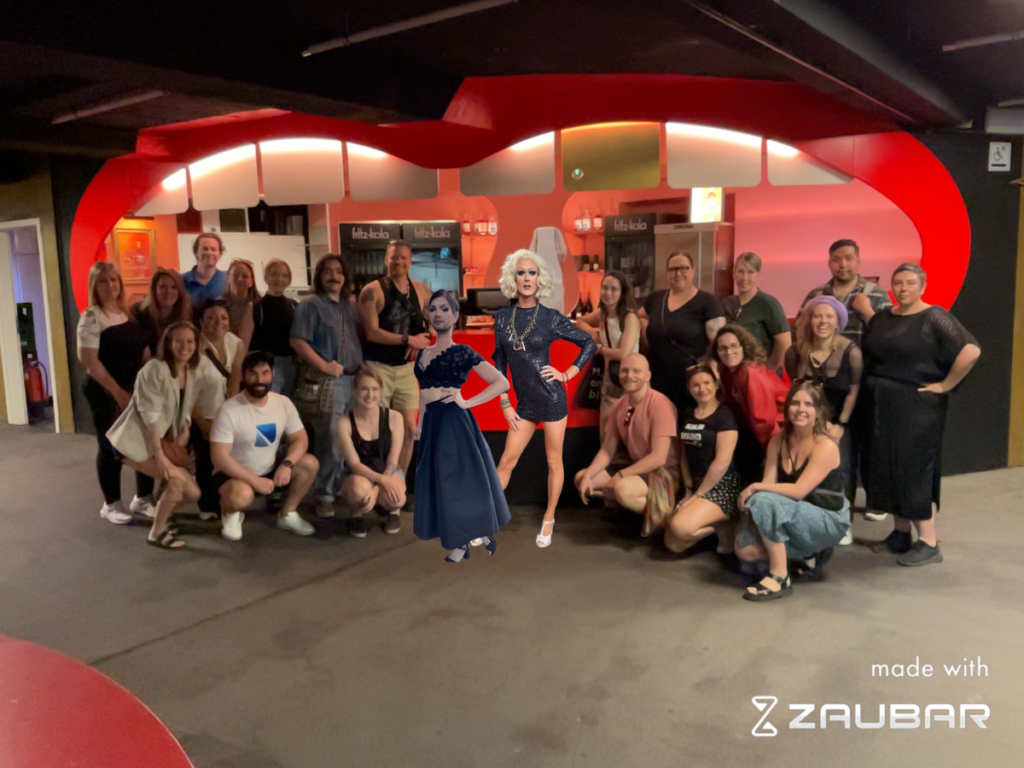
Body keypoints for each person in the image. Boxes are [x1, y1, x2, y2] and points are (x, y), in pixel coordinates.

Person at [859, 263, 980, 567]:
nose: (903, 288)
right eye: (897, 283)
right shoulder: (884, 317)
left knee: (913, 468)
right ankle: (901, 534)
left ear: (922, 286)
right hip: (882, 404)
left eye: (910, 283)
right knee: (888, 466)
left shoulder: (934, 316)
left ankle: (927, 541)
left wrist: (946, 384)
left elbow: (971, 350)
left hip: (916, 406)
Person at [493, 249, 597, 548]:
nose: (527, 278)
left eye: (532, 273)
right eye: (521, 272)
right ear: (513, 278)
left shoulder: (550, 318)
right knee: (506, 461)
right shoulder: (502, 318)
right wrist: (504, 402)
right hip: (523, 405)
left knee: (554, 461)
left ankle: (549, 518)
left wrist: (568, 373)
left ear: (540, 279)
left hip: (552, 400)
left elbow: (588, 343)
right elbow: (499, 363)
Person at [413, 290, 511, 562]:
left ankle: (466, 539)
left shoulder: (462, 352)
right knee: (442, 484)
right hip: (432, 422)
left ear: (456, 316)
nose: (438, 314)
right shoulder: (423, 352)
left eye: (445, 309)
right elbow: (423, 391)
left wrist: (467, 402)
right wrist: (420, 423)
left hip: (454, 422)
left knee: (459, 483)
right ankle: (464, 539)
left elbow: (501, 382)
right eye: (433, 309)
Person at [734, 382, 850, 601]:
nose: (801, 409)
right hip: (792, 512)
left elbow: (798, 490)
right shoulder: (778, 441)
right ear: (787, 408)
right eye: (795, 403)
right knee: (744, 550)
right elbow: (769, 485)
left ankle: (780, 577)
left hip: (828, 517)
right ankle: (808, 554)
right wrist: (756, 503)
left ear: (818, 412)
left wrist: (754, 488)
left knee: (761, 500)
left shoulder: (825, 446)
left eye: (808, 404)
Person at [106, 322, 211, 549]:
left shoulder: (192, 371)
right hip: (135, 441)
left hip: (160, 440)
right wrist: (160, 454)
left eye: (190, 341)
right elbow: (150, 414)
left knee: (193, 492)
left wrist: (183, 429)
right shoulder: (155, 369)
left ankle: (164, 514)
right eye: (179, 341)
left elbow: (186, 405)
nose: (185, 346)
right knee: (176, 482)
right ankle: (157, 532)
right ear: (168, 344)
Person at [210, 351, 319, 541]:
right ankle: (230, 512)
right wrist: (253, 480)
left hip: (269, 468)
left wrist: (287, 464)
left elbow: (300, 438)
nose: (259, 379)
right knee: (241, 495)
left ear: (272, 374)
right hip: (234, 474)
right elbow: (219, 457)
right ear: (244, 375)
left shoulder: (282, 403)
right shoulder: (229, 410)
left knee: (310, 463)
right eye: (253, 373)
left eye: (265, 373)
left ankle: (287, 514)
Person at [77, 262, 155, 524]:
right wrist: (118, 393)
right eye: (103, 281)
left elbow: (143, 350)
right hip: (105, 390)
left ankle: (143, 497)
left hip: (135, 388)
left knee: (143, 440)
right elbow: (90, 361)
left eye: (114, 280)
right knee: (111, 445)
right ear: (94, 286)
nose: (110, 286)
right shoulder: (91, 317)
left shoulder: (128, 313)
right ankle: (111, 504)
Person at [290, 254, 363, 520]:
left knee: (351, 438)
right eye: (328, 272)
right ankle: (325, 495)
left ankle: (345, 488)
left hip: (356, 382)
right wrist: (324, 365)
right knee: (331, 438)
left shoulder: (349, 306)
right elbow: (298, 341)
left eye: (339, 272)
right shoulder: (309, 305)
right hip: (329, 382)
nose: (334, 276)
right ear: (319, 276)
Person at [574, 353, 678, 535]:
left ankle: (665, 521)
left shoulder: (660, 404)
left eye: (636, 371)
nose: (629, 376)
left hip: (662, 473)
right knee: (582, 478)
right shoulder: (620, 405)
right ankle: (633, 511)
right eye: (625, 371)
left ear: (647, 376)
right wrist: (589, 475)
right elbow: (607, 449)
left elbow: (659, 458)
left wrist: (621, 475)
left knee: (622, 489)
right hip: (635, 466)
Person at [785, 295, 862, 538]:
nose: (822, 321)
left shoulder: (851, 352)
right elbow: (796, 388)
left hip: (840, 420)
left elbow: (853, 390)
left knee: (844, 467)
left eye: (829, 316)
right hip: (804, 421)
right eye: (817, 315)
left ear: (838, 322)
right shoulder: (795, 351)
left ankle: (843, 519)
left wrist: (840, 425)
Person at [357, 240, 432, 481]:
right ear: (385, 260)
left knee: (409, 429)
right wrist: (407, 339)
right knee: (376, 430)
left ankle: (396, 483)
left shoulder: (420, 289)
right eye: (393, 257)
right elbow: (371, 332)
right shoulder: (372, 291)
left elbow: (433, 325)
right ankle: (374, 482)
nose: (398, 261)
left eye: (403, 257)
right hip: (376, 370)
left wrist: (423, 338)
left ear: (410, 261)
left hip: (407, 371)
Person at [665, 361, 742, 555]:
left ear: (715, 384)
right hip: (697, 484)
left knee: (680, 527)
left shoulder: (724, 415)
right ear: (689, 388)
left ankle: (727, 524)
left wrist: (698, 495)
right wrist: (689, 489)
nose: (702, 389)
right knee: (672, 544)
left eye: (707, 383)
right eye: (696, 385)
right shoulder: (688, 414)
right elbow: (683, 453)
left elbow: (722, 461)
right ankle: (715, 530)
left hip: (723, 485)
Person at [639, 251, 725, 412]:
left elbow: (720, 344)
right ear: (667, 273)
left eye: (684, 268)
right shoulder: (656, 298)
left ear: (693, 271)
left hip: (693, 385)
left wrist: (711, 369)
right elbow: (634, 318)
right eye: (673, 269)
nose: (678, 273)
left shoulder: (707, 303)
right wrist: (644, 327)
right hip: (658, 383)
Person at [710, 324, 788, 486]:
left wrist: (770, 453)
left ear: (743, 347)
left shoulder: (752, 371)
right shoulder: (728, 371)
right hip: (753, 432)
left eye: (733, 346)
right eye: (723, 348)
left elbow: (764, 420)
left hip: (776, 434)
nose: (729, 352)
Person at [337, 368, 406, 538]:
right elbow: (354, 464)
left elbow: (392, 461)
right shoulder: (344, 422)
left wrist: (377, 488)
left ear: (381, 391)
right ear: (355, 391)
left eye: (375, 389)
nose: (370, 394)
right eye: (364, 389)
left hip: (388, 471)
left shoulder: (395, 417)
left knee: (397, 498)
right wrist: (380, 482)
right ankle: (356, 513)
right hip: (358, 474)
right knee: (359, 491)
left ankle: (393, 512)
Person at [575, 270, 641, 434]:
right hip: (610, 379)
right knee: (606, 431)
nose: (608, 293)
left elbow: (624, 354)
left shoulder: (629, 318)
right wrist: (592, 332)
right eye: (605, 288)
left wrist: (599, 349)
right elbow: (580, 321)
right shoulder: (604, 313)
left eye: (613, 289)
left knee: (631, 432)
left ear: (622, 292)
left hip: (631, 379)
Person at [799, 239, 891, 348]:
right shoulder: (816, 295)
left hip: (866, 363)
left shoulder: (878, 294)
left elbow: (889, 336)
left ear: (858, 261)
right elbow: (798, 333)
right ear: (829, 264)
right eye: (836, 259)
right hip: (822, 363)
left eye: (849, 258)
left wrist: (867, 312)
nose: (843, 265)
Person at [722, 252, 791, 371]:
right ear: (733, 273)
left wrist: (773, 371)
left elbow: (785, 344)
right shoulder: (727, 303)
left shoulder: (768, 303)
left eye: (750, 272)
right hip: (730, 373)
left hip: (759, 374)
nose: (745, 278)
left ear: (759, 275)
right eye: (740, 271)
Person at [251, 258, 298, 397]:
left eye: (284, 275)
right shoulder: (256, 307)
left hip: (293, 365)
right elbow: (245, 343)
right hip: (268, 365)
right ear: (266, 277)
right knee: (271, 405)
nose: (279, 279)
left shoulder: (294, 305)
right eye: (275, 274)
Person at [130, 268, 192, 358]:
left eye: (174, 287)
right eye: (163, 287)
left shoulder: (187, 315)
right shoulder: (138, 312)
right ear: (154, 290)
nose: (168, 291)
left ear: (180, 292)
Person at [182, 233, 228, 305]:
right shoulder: (181, 280)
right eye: (205, 249)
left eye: (213, 249)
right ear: (196, 252)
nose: (209, 253)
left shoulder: (228, 279)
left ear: (220, 254)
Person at [223, 258, 257, 351]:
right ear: (227, 279)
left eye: (245, 276)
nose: (240, 279)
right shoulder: (218, 307)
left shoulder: (259, 308)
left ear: (251, 282)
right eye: (235, 275)